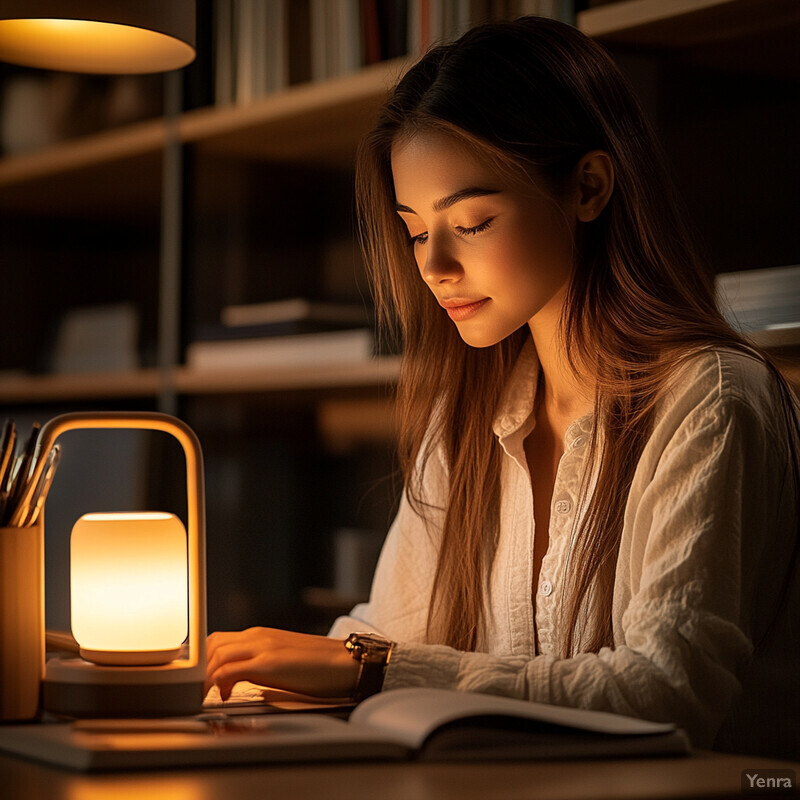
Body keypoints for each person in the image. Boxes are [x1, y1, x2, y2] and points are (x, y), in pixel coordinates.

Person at [205, 16, 800, 759]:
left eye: (474, 221)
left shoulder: (709, 399)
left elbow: (664, 695)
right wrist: (230, 677)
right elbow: (391, 628)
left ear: (588, 187)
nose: (434, 267)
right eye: (417, 230)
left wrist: (373, 672)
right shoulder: (470, 415)